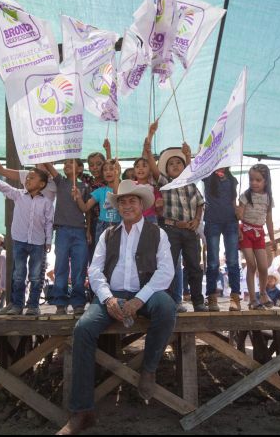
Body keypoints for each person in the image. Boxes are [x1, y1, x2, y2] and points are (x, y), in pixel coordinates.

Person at [57, 180, 176, 435]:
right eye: (122, 201)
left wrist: (139, 299)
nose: (127, 205)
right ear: (118, 207)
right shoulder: (107, 233)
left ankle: (149, 369)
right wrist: (108, 298)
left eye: (132, 200)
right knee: (83, 329)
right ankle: (82, 411)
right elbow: (95, 270)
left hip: (146, 292)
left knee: (166, 307)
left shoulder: (158, 233)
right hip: (111, 293)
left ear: (142, 205)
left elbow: (167, 272)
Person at [144, 121, 206, 312]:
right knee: (169, 266)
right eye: (171, 163)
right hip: (170, 229)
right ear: (166, 170)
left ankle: (198, 301)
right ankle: (171, 302)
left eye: (178, 162)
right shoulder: (164, 183)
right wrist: (150, 135)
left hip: (190, 230)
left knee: (194, 267)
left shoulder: (191, 184)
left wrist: (196, 221)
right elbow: (151, 164)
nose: (175, 165)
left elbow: (200, 204)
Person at [0, 168, 53, 316]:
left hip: (38, 243)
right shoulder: (18, 195)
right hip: (20, 241)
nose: (27, 180)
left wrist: (48, 241)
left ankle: (34, 306)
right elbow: (0, 185)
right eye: (27, 177)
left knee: (36, 276)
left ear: (42, 184)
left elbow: (49, 223)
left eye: (32, 178)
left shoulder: (47, 202)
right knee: (18, 275)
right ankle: (17, 305)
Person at [39, 161, 91, 315]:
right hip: (62, 231)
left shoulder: (84, 187)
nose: (67, 165)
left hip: (80, 231)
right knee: (60, 267)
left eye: (72, 163)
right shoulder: (60, 181)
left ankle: (78, 303)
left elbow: (87, 210)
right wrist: (45, 155)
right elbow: (48, 165)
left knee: (80, 268)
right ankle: (60, 303)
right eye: (65, 163)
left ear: (80, 168)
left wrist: (88, 230)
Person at [236, 164, 276, 310]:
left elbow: (269, 220)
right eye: (251, 179)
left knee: (264, 267)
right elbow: (239, 216)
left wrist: (273, 238)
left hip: (259, 233)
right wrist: (238, 218)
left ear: (266, 181)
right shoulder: (246, 196)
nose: (254, 183)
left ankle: (263, 293)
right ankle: (252, 298)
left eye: (258, 180)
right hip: (245, 231)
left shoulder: (268, 198)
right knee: (251, 265)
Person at [202, 167, 241, 312]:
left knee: (233, 260)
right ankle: (212, 297)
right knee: (212, 262)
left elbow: (233, 202)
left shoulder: (232, 179)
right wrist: (190, 155)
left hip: (231, 222)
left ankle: (235, 297)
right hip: (212, 222)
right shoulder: (207, 176)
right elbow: (196, 168)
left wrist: (238, 224)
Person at [73, 159, 122, 244]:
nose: (108, 172)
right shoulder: (100, 191)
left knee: (117, 254)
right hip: (102, 226)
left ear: (118, 171)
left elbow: (116, 193)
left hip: (119, 225)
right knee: (101, 254)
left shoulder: (124, 188)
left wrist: (117, 176)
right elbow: (85, 208)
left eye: (111, 169)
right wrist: (79, 197)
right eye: (105, 170)